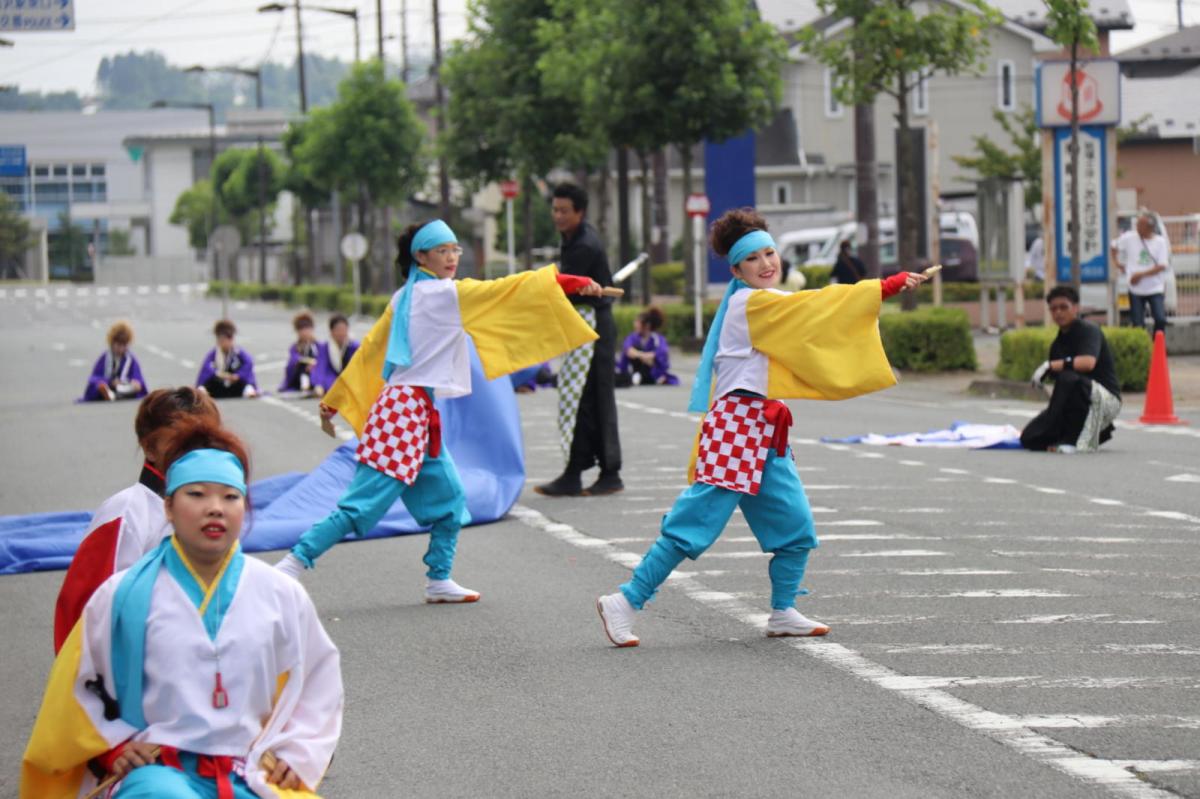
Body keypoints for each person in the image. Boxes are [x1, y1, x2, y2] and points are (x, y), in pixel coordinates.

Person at [595, 207, 927, 648]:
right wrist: (883, 287)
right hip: (737, 425)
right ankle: (626, 601)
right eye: (753, 259)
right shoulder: (748, 303)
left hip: (765, 428)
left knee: (795, 527)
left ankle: (783, 611)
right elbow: (816, 307)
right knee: (693, 525)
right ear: (736, 269)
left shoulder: (762, 302)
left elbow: (807, 308)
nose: (767, 263)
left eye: (771, 253)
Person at [274, 219, 602, 603]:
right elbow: (507, 289)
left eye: (455, 250)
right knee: (360, 507)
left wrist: (337, 394)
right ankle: (292, 564)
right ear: (421, 256)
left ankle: (438, 580)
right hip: (402, 415)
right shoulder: (443, 294)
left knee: (449, 498)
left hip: (414, 411)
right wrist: (569, 282)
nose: (451, 258)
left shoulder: (404, 296)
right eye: (443, 251)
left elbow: (372, 348)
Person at [21, 419, 343, 799]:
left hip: (250, 771)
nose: (214, 509)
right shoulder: (122, 595)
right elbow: (77, 690)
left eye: (229, 497)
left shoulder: (280, 594)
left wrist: (298, 753)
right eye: (197, 495)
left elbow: (318, 684)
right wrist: (113, 747)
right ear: (169, 507)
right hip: (158, 774)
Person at [54, 387, 221, 652]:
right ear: (150, 448)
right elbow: (84, 609)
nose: (195, 454)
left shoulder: (218, 507)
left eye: (205, 442)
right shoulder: (126, 513)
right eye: (180, 443)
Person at [535, 183, 624, 497]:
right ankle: (575, 471)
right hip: (581, 325)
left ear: (580, 212)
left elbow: (563, 287)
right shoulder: (572, 240)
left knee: (595, 400)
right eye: (555, 209)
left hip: (595, 327)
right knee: (578, 400)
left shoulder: (585, 245)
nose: (557, 216)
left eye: (564, 210)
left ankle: (609, 473)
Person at [1020, 285, 1122, 454]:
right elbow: (1060, 389)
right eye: (1053, 309)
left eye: (1063, 307)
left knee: (1069, 378)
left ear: (1076, 308)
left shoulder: (1088, 330)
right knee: (1029, 438)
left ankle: (1073, 440)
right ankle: (1072, 435)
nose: (1058, 312)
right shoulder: (1057, 344)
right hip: (1079, 403)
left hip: (1106, 400)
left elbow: (1088, 362)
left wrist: (1050, 365)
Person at [1111, 212, 1171, 335]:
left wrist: (1140, 275)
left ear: (1150, 227)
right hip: (1135, 289)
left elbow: (1162, 265)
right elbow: (1113, 245)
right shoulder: (1129, 237)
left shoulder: (1160, 242)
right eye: (1137, 224)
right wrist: (1117, 263)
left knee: (1160, 319)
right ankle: (1143, 347)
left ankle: (1157, 345)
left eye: (1140, 225)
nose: (1137, 227)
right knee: (1138, 323)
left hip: (1155, 287)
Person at [82, 321, 148, 403]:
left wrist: (134, 382)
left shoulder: (131, 359)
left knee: (136, 387)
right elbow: (95, 377)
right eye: (118, 345)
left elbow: (137, 376)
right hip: (109, 385)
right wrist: (110, 382)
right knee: (98, 385)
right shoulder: (104, 358)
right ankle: (109, 394)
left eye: (123, 345)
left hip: (125, 386)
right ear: (112, 343)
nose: (120, 349)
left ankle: (113, 396)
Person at [615, 307, 679, 387]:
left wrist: (642, 355)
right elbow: (628, 350)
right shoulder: (633, 337)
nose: (635, 324)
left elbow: (660, 355)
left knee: (651, 361)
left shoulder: (658, 339)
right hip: (636, 367)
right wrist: (642, 355)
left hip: (652, 369)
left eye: (637, 322)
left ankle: (653, 377)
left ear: (647, 325)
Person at [196, 320, 258, 399]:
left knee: (246, 385)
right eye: (220, 340)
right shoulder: (213, 354)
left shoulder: (239, 353)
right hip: (218, 384)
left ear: (231, 339)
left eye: (224, 340)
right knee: (206, 385)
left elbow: (248, 364)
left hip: (235, 383)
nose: (222, 342)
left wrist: (238, 376)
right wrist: (220, 375)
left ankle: (249, 392)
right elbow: (207, 369)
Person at [279, 311, 324, 396]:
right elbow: (294, 360)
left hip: (316, 372)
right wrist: (308, 362)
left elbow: (323, 359)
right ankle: (306, 387)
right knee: (302, 367)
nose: (305, 332)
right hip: (300, 374)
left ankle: (317, 386)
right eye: (301, 330)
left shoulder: (318, 346)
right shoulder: (295, 347)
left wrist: (314, 364)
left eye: (307, 329)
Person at [314, 313, 359, 392]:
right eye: (338, 330)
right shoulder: (324, 347)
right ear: (331, 331)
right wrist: (319, 384)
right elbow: (321, 367)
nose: (341, 333)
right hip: (331, 381)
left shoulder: (354, 346)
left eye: (344, 330)